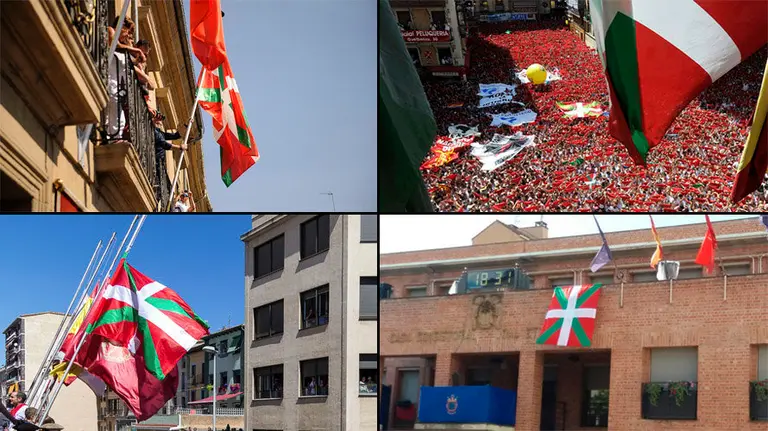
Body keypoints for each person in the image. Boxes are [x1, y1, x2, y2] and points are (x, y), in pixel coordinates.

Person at [152, 111, 186, 201]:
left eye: (160, 120)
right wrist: (180, 147)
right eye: (158, 119)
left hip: (160, 162)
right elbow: (165, 144)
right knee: (159, 182)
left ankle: (158, 198)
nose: (160, 122)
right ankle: (156, 197)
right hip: (156, 160)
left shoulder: (160, 132)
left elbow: (175, 136)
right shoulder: (153, 131)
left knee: (165, 184)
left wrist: (186, 125)